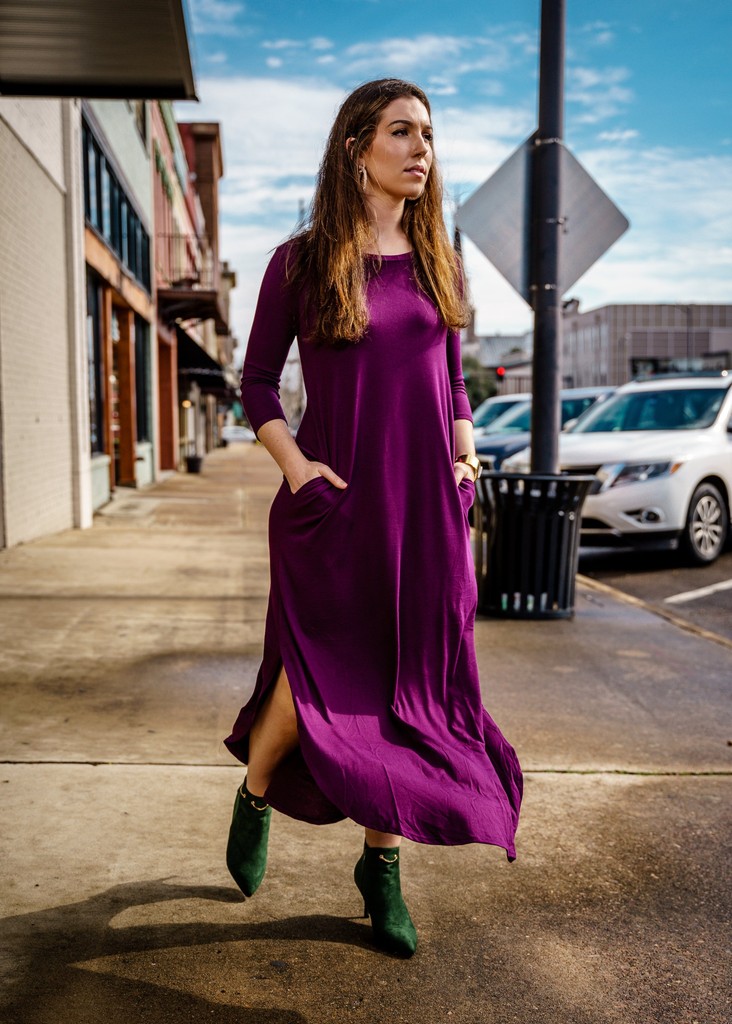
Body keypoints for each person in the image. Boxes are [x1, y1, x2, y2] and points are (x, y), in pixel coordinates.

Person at [224, 78, 523, 958]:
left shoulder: (441, 262)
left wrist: (466, 456)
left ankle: (381, 871)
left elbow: (457, 384)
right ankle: (255, 790)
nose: (420, 147)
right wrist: (297, 467)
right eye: (401, 131)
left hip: (428, 515)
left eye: (428, 133)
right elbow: (255, 382)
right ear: (357, 146)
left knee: (404, 691)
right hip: (338, 505)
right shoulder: (303, 262)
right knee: (314, 675)